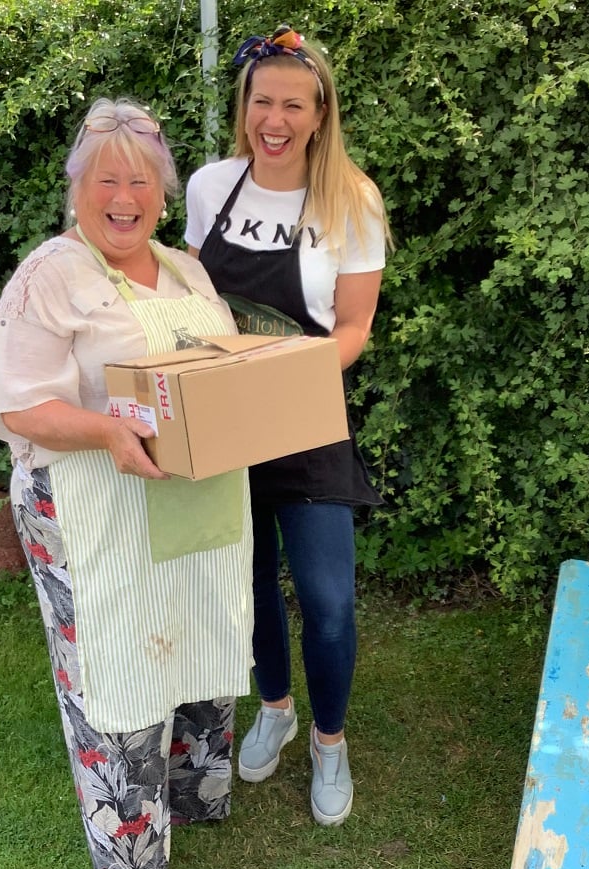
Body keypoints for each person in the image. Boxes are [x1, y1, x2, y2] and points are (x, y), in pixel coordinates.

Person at [0, 97, 253, 869]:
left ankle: (189, 790)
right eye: (108, 178)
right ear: (78, 189)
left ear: (164, 194)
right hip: (94, 511)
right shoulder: (50, 277)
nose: (124, 195)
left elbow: (219, 371)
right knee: (116, 674)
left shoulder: (182, 271)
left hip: (194, 503)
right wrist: (108, 429)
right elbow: (18, 406)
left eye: (141, 179)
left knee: (198, 639)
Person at [185, 26, 391, 827]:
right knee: (249, 588)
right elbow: (196, 297)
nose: (275, 118)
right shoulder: (210, 186)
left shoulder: (352, 198)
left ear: (318, 113)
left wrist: (284, 373)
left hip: (303, 416)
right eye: (262, 100)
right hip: (223, 417)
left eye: (292, 104)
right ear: (246, 107)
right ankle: (275, 706)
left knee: (329, 600)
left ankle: (330, 741)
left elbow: (352, 329)